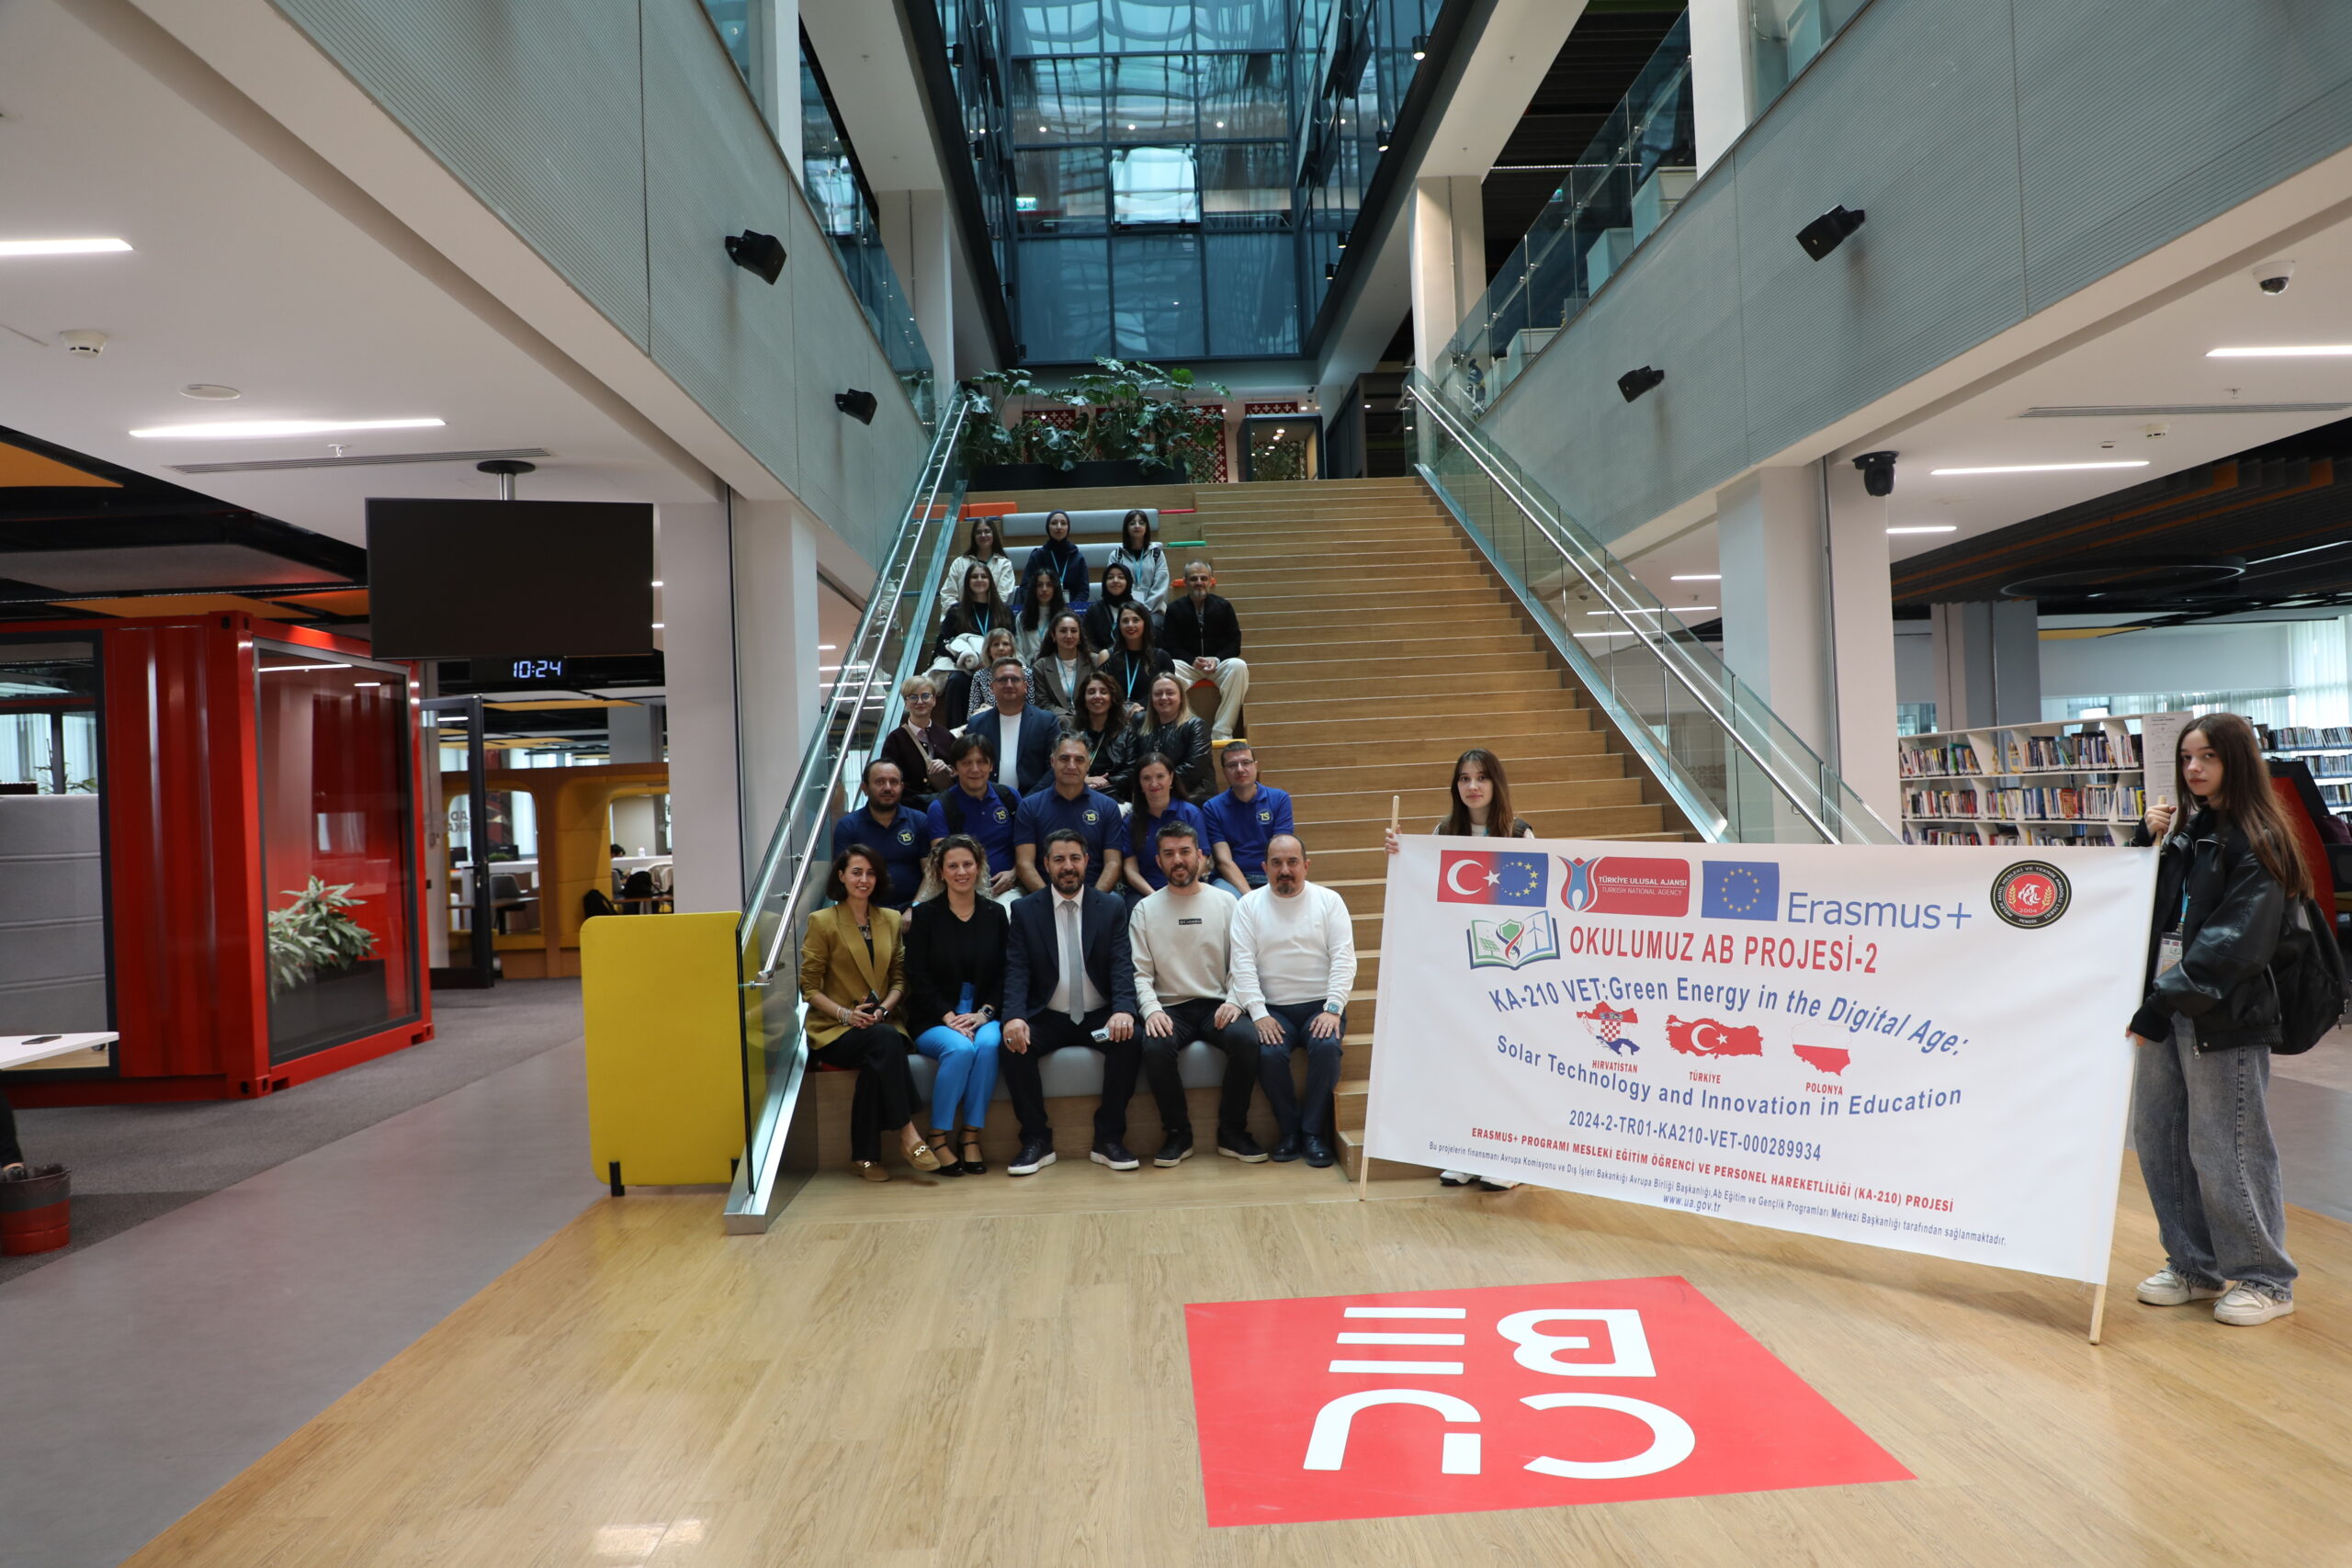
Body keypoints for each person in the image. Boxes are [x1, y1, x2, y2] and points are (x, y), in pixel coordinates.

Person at [2127, 713, 2309, 1326]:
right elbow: (2150, 911)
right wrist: (2144, 845)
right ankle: (2192, 1264)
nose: (2194, 768)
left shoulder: (2260, 837)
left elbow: (2236, 943)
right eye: (2186, 758)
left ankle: (2266, 1278)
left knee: (2226, 1142)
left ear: (2237, 760)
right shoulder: (2188, 830)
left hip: (2222, 1013)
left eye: (2207, 756)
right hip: (2168, 1000)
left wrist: (2161, 1000)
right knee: (2159, 1134)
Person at [1385, 748, 1533, 1189]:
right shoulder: (1443, 832)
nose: (1472, 786)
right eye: (1464, 778)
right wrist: (1401, 853)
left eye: (1481, 777)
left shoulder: (1519, 833)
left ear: (1495, 783)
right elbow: (1425, 889)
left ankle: (1511, 1160)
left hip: (1506, 966)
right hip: (1458, 966)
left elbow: (1532, 904)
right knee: (1464, 1061)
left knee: (1503, 1063)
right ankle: (1467, 1151)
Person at [1000, 829, 1143, 1175]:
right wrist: (1014, 1017)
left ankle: (1109, 1138)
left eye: (1075, 858)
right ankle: (1036, 1140)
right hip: (1048, 1016)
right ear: (1046, 864)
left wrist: (1123, 1010)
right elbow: (1017, 969)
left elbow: (1122, 965)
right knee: (1012, 1046)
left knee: (1132, 1038)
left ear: (1087, 862)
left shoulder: (1110, 907)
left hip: (1098, 1017)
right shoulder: (1024, 910)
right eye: (1060, 859)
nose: (1068, 867)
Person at [798, 845, 942, 1180]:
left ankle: (864, 1157)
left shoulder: (890, 919)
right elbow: (809, 988)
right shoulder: (822, 921)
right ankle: (908, 1133)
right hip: (835, 1029)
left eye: (871, 873)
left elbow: (900, 979)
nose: (864, 879)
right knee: (884, 1044)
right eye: (856, 872)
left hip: (882, 1023)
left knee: (878, 1057)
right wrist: (846, 1015)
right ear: (841, 876)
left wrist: (883, 1010)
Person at [1129, 820, 1267, 1166]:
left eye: (1185, 852)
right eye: (1169, 853)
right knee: (1155, 1047)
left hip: (1218, 1005)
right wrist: (1151, 1010)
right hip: (1170, 1008)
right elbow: (1139, 974)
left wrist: (1235, 1001)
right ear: (1158, 861)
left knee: (1247, 1039)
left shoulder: (1227, 902)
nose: (1178, 860)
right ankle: (1178, 1134)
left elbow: (1243, 963)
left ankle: (1232, 1131)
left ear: (1201, 857)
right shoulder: (1144, 910)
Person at [1231, 835, 1356, 1168]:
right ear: (1264, 868)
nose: (1284, 870)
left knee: (1326, 1047)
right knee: (1269, 1054)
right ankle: (1289, 1132)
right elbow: (1242, 964)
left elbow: (1344, 959)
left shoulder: (1329, 901)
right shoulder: (1248, 905)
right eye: (1276, 863)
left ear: (1306, 866)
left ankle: (1313, 1133)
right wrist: (1258, 1013)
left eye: (1292, 862)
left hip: (1321, 1006)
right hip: (1273, 1009)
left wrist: (1333, 1009)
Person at [904, 835, 1008, 1177]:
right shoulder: (924, 916)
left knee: (990, 1045)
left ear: (979, 867)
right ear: (940, 871)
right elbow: (917, 976)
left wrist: (985, 1013)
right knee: (961, 1049)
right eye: (953, 866)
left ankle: (971, 1135)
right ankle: (937, 1136)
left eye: (967, 864)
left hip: (983, 1013)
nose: (961, 872)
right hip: (935, 1017)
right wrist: (948, 1016)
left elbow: (1005, 973)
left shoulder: (996, 914)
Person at [1015, 735, 1125, 894]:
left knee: (1116, 903)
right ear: (1053, 762)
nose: (1071, 766)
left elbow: (1113, 863)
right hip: (1043, 894)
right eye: (1064, 759)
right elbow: (1024, 863)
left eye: (1079, 760)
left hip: (1096, 893)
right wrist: (1049, 902)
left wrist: (1094, 901)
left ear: (1088, 765)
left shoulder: (1108, 807)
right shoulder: (1029, 806)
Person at [1159, 558, 1250, 742]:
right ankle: (1189, 727)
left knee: (1239, 666)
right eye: (1193, 579)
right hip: (1188, 664)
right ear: (1185, 582)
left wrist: (1217, 659)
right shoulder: (1174, 609)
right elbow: (1169, 644)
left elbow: (1235, 642)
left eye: (1203, 578)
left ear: (1211, 581)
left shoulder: (1224, 606)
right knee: (1167, 670)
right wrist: (1191, 660)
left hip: (1217, 664)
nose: (1199, 582)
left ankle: (1222, 731)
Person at [924, 734, 1022, 900]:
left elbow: (1028, 846)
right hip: (962, 892)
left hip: (1010, 888)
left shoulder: (1009, 797)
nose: (975, 769)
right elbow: (944, 862)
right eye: (967, 763)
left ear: (991, 766)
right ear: (954, 769)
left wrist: (1015, 873)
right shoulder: (940, 808)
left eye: (982, 762)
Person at [830, 759, 933, 908]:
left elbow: (930, 874)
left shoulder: (919, 820)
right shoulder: (848, 826)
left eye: (894, 782)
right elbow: (843, 878)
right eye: (880, 782)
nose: (888, 788)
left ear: (902, 787)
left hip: (913, 910)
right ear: (865, 788)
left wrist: (915, 908)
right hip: (866, 911)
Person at [1120, 753, 1215, 904]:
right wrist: (1155, 897)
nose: (1154, 783)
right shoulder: (1130, 822)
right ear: (1139, 783)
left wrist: (1183, 888)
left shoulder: (1191, 813)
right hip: (1146, 893)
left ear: (1171, 778)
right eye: (1146, 778)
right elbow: (1131, 870)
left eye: (1160, 776)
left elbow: (1202, 858)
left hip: (1189, 886)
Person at [1204, 741, 1294, 896]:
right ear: (1224, 772)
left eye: (1246, 763)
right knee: (1224, 899)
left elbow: (1281, 851)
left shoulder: (1279, 799)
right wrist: (1250, 896)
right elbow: (1224, 861)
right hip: (1230, 880)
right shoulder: (1212, 807)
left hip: (1271, 875)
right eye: (1232, 765)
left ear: (1255, 766)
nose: (1240, 769)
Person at [965, 656, 1059, 795]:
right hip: (988, 800)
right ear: (992, 687)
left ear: (1025, 686)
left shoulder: (1046, 721)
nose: (1009, 685)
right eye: (1002, 680)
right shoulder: (976, 724)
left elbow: (1056, 766)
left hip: (1035, 801)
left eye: (1015, 679)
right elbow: (970, 766)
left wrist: (1028, 801)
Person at [1114, 672, 1212, 801]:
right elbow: (1133, 765)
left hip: (1189, 797)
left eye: (1170, 693)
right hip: (1150, 797)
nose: (1164, 698)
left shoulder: (1196, 725)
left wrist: (1157, 786)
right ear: (1151, 699)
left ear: (1181, 697)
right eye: (1158, 694)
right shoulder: (1140, 723)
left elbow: (1193, 770)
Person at [932, 561, 1010, 717]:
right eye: (974, 577)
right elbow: (941, 644)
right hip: (967, 668)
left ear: (990, 581)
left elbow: (1013, 642)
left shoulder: (1004, 611)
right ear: (967, 582)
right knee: (956, 681)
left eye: (983, 576)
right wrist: (964, 659)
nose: (979, 580)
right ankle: (956, 730)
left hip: (999, 665)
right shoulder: (956, 611)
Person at [879, 674, 956, 806]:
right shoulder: (895, 740)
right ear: (906, 703)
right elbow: (890, 779)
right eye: (913, 697)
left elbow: (960, 772)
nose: (920, 702)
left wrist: (948, 770)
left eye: (925, 696)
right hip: (910, 808)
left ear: (934, 700)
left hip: (945, 807)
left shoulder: (946, 736)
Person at [1097, 602, 1175, 724]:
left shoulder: (1162, 657)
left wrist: (1141, 705)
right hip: (1115, 720)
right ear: (1119, 626)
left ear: (1145, 623)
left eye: (1136, 620)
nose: (1130, 625)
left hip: (1150, 720)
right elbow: (1101, 692)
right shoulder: (1107, 657)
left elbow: (1168, 694)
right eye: (1125, 621)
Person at [937, 513, 1019, 612]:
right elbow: (948, 594)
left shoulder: (1004, 564)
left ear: (994, 535)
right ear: (974, 536)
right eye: (979, 532)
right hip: (961, 616)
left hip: (990, 615)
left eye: (987, 531)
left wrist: (982, 614)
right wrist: (959, 614)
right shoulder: (959, 563)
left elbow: (1002, 596)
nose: (983, 535)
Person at [1027, 610, 1097, 722]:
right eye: (1063, 631)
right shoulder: (1041, 666)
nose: (1069, 635)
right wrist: (1068, 718)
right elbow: (1042, 703)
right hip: (1057, 723)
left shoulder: (1095, 661)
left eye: (1074, 631)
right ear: (1053, 635)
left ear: (1080, 636)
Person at [1068, 670, 1129, 795]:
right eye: (1091, 692)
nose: (1097, 696)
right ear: (1084, 699)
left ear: (1112, 698)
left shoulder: (1127, 733)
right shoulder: (1072, 733)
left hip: (1114, 795)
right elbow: (1061, 767)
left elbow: (1130, 772)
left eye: (1103, 692)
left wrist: (1103, 783)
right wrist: (1084, 780)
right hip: (1077, 793)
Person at [1022, 509, 1091, 606]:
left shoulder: (1077, 557)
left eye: (1063, 523)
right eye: (1054, 523)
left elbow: (1084, 590)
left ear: (1068, 528)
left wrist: (1072, 609)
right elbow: (1025, 588)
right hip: (1042, 609)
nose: (1059, 527)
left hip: (1072, 610)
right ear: (1048, 527)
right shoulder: (1038, 555)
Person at [1111, 508, 1170, 614]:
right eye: (1132, 523)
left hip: (1154, 610)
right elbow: (1114, 586)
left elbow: (1160, 587)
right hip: (1124, 611)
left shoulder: (1157, 554)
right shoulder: (1117, 555)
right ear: (1126, 528)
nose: (1137, 526)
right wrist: (1129, 610)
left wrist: (1145, 610)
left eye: (1141, 523)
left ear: (1146, 528)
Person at [962, 628, 1027, 723]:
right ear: (988, 650)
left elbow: (1032, 709)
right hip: (989, 724)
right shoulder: (979, 676)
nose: (1001, 648)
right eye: (996, 644)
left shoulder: (1026, 674)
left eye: (1005, 644)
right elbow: (972, 715)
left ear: (1012, 648)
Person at [1082, 560, 1146, 653]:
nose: (1115, 581)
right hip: (1101, 657)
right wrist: (1104, 655)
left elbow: (1148, 638)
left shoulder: (1139, 609)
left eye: (1121, 577)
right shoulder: (1094, 610)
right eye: (1110, 577)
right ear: (1105, 582)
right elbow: (1087, 641)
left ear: (1128, 582)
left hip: (1134, 656)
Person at [1014, 565, 1069, 664]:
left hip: (1057, 668)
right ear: (1034, 589)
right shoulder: (1022, 617)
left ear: (1055, 588)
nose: (1044, 589)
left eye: (1049, 585)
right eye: (1039, 585)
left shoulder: (1064, 617)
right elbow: (1018, 651)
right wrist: (1024, 671)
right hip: (1028, 669)